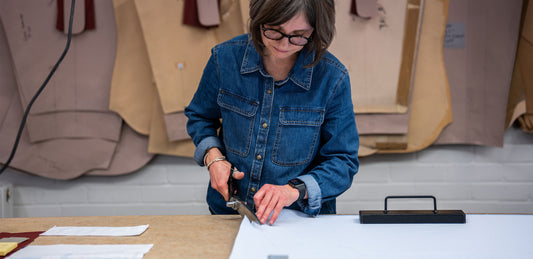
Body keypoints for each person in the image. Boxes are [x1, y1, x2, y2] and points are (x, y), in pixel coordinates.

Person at [185, 0, 359, 225]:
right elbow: (200, 117)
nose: (284, 45)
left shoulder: (332, 77)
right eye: (274, 31)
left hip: (299, 220)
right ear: (259, 19)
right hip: (230, 213)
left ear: (315, 30)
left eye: (298, 35)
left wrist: (293, 190)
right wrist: (213, 158)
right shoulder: (225, 59)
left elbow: (343, 161)